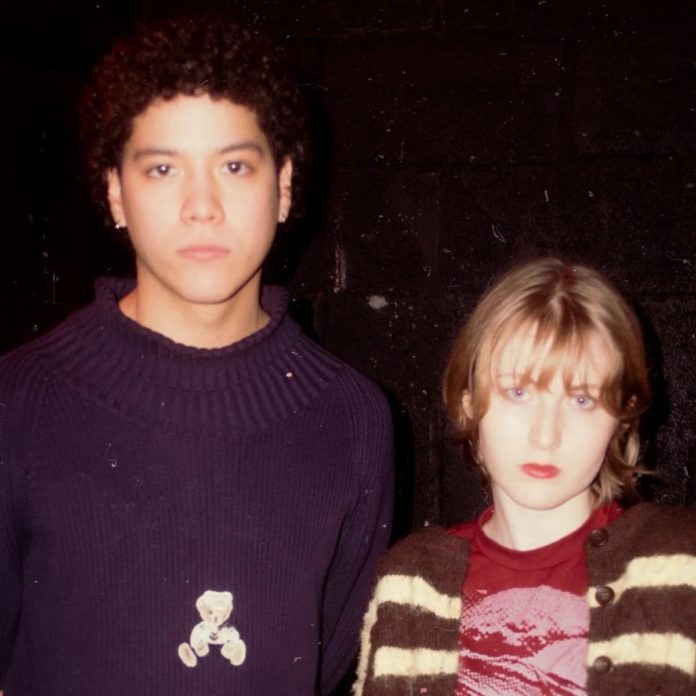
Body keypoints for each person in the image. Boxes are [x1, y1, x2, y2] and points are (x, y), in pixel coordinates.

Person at [0, 14, 393, 696]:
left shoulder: (353, 418)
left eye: (234, 166)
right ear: (116, 191)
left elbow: (328, 654)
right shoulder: (19, 401)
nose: (201, 206)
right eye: (162, 168)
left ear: (285, 185)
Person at [354, 258, 696, 696]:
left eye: (582, 399)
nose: (545, 435)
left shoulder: (679, 562)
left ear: (621, 417)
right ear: (469, 404)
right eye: (518, 392)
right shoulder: (411, 583)